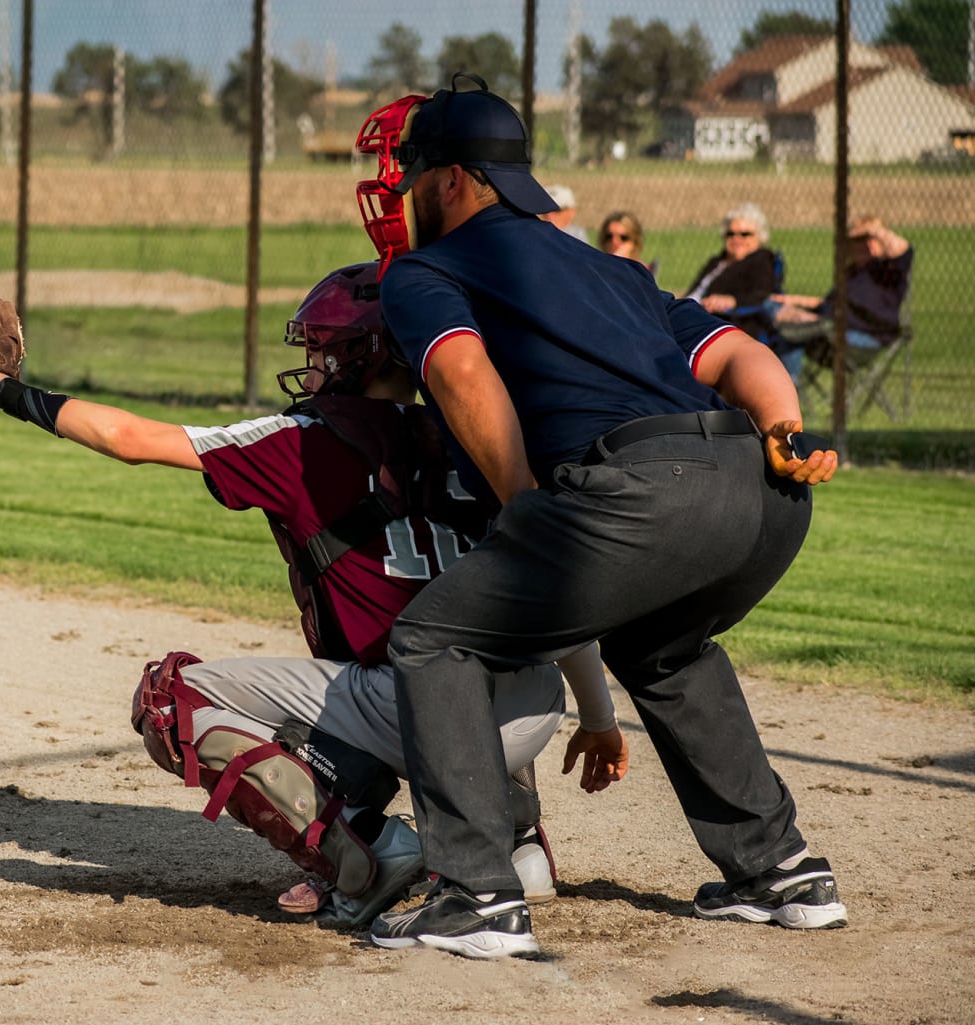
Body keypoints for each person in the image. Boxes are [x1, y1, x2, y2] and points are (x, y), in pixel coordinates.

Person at [0, 263, 625, 930]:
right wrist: (599, 718)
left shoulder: (302, 438)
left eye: (322, 350)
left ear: (363, 357)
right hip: (532, 714)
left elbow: (130, 437)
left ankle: (365, 855)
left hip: (424, 714)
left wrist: (3, 387)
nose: (312, 366)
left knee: (172, 698)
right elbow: (551, 586)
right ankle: (518, 845)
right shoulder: (481, 436)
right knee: (490, 612)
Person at [353, 74, 841, 960]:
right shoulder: (609, 267)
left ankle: (476, 893)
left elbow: (463, 375)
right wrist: (786, 429)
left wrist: (522, 502)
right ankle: (779, 869)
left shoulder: (427, 271)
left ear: (455, 180)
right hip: (761, 492)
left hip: (641, 488)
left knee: (433, 638)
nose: (407, 189)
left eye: (416, 169)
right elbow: (738, 352)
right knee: (662, 644)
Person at [770, 215, 914, 379]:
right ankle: (780, 386)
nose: (863, 244)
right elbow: (829, 304)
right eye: (857, 240)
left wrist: (871, 229)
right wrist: (793, 301)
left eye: (868, 239)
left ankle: (787, 387)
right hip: (831, 332)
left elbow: (903, 249)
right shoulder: (851, 273)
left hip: (862, 339)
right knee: (782, 325)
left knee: (794, 332)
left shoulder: (888, 270)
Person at [683, 203, 778, 341]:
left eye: (744, 234)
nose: (736, 239)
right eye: (730, 234)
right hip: (690, 314)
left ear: (760, 237)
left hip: (722, 325)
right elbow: (695, 292)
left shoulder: (760, 260)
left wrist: (732, 301)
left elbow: (761, 294)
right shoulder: (716, 262)